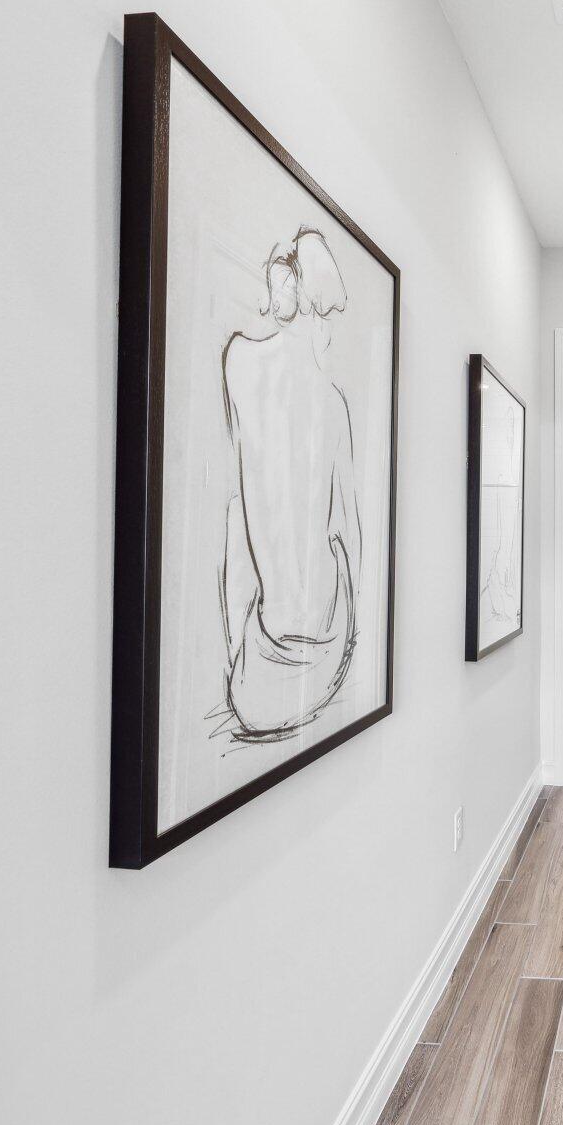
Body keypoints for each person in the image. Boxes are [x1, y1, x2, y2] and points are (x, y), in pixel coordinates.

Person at [218, 227, 363, 742]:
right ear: (315, 313)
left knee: (241, 515)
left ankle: (249, 641)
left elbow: (239, 508)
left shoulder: (238, 362)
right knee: (333, 549)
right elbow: (347, 530)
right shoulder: (331, 404)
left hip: (253, 683)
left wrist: (238, 636)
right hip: (322, 652)